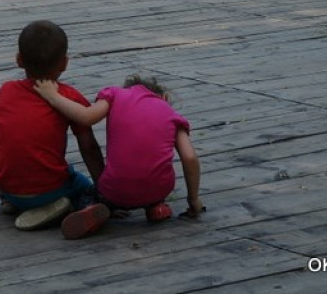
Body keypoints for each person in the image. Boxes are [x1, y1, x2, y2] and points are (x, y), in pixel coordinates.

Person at [0, 20, 107, 239]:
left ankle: (15, 203)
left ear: (19, 60)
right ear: (65, 63)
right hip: (51, 189)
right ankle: (74, 207)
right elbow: (89, 149)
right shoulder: (68, 97)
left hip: (7, 188)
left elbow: (5, 132)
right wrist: (105, 189)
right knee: (83, 185)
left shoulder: (5, 91)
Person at [35, 73, 204, 225]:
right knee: (154, 183)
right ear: (164, 97)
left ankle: (94, 207)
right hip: (159, 189)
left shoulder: (115, 94)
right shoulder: (172, 115)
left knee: (88, 194)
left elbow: (86, 117)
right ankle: (156, 208)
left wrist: (53, 96)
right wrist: (193, 200)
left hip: (115, 190)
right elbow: (189, 158)